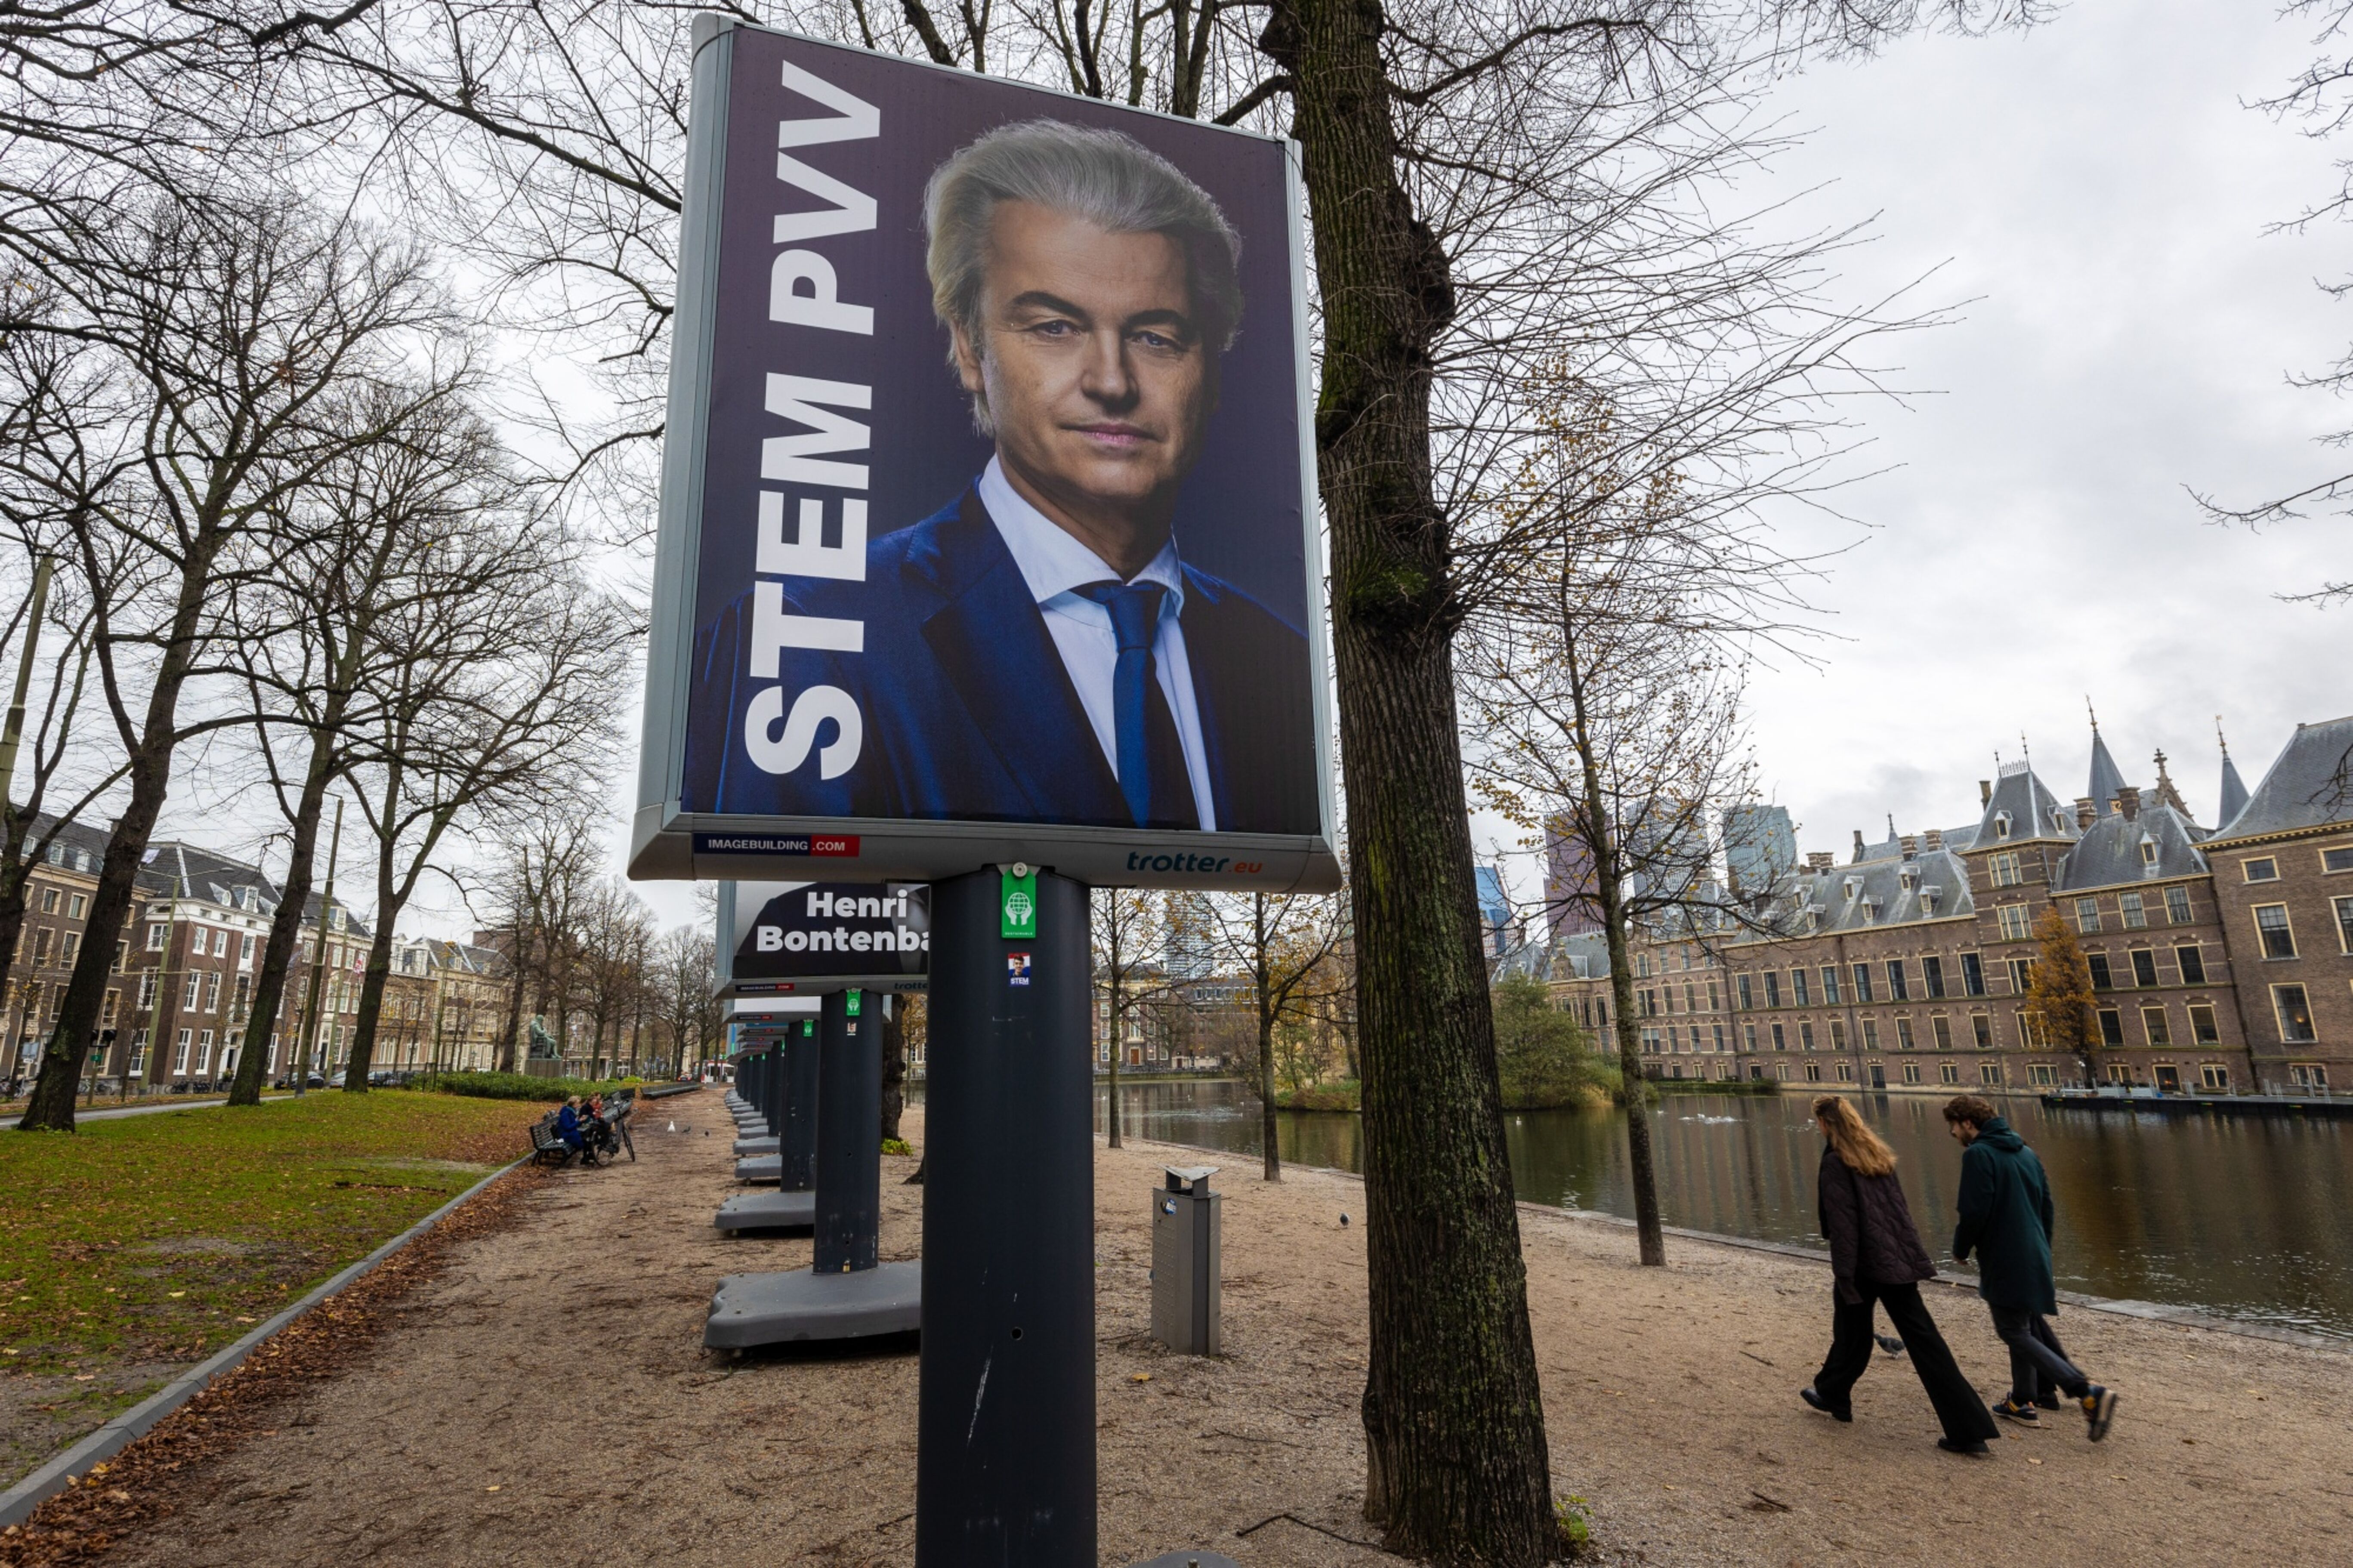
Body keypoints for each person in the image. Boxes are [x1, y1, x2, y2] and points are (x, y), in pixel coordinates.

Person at [683, 118, 1319, 834]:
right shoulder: (809, 635)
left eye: (1154, 336)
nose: (1111, 380)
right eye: (1053, 326)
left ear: (1208, 363)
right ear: (967, 345)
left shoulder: (1276, 659)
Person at [1798, 1096, 2001, 1456]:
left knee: (1854, 1333)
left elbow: (1844, 1228)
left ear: (1826, 1124)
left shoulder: (1835, 1162)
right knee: (1917, 1341)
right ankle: (1834, 1395)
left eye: (1819, 1122)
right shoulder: (1877, 1154)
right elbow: (1899, 1212)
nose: (1818, 1128)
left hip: (1864, 1263)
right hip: (1895, 1260)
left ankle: (1834, 1394)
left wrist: (1844, 1273)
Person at [1943, 1094, 2118, 1440]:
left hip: (2005, 1254)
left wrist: (1961, 1248)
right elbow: (2048, 1208)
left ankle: (2085, 1391)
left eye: (1953, 1126)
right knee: (2020, 1326)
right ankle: (2023, 1400)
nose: (1952, 1134)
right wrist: (2040, 1247)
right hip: (2034, 1251)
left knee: (2012, 1330)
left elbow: (1974, 1211)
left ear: (1967, 1123)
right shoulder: (2026, 1153)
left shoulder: (1979, 1154)